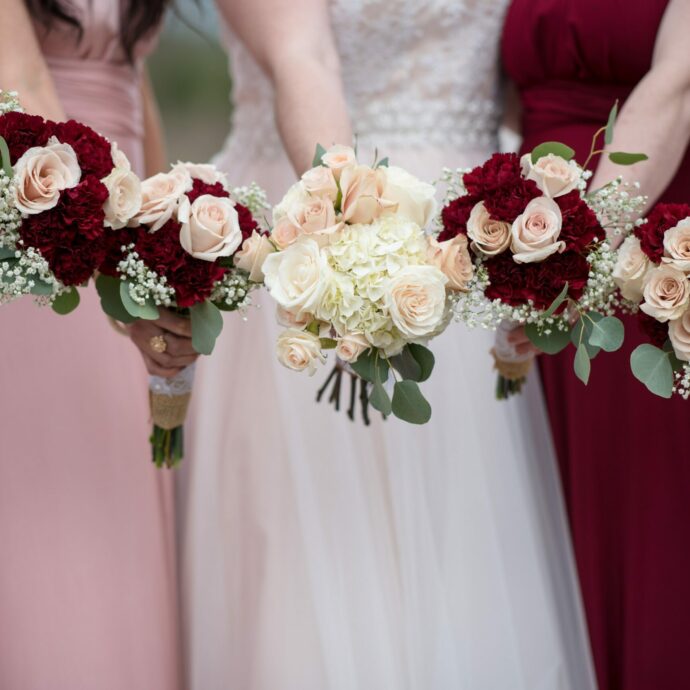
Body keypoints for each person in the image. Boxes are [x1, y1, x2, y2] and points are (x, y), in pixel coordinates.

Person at [143, 0, 597, 687]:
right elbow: (305, 57)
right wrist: (360, 250)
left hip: (469, 253)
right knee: (314, 577)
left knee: (471, 565)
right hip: (314, 216)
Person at [502, 1, 690, 688]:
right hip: (539, 261)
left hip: (645, 248)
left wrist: (577, 255)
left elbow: (677, 84)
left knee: (652, 536)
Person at [0, 2, 182, 688]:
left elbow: (133, 82)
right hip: (45, 236)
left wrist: (171, 237)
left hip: (123, 234)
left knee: (123, 514)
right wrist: (120, 283)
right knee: (51, 526)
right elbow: (29, 97)